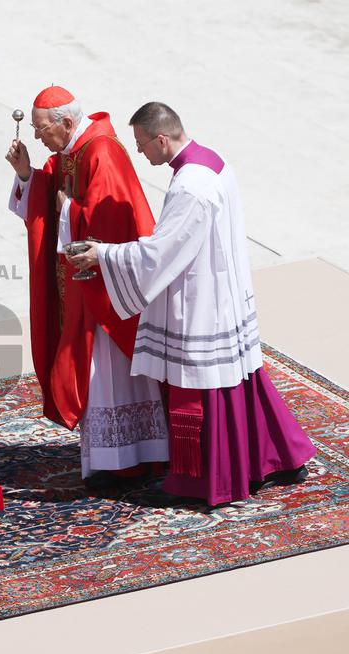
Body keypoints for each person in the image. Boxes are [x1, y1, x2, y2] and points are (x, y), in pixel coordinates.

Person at [69, 102, 315, 505]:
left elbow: (161, 254)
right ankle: (275, 460)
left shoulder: (188, 188)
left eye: (143, 145)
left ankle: (207, 482)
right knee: (243, 381)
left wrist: (104, 255)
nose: (142, 154)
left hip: (202, 303)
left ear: (161, 138)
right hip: (226, 288)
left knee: (201, 393)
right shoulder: (213, 162)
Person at [5, 86, 169, 488]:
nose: (39, 138)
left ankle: (126, 461)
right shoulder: (67, 154)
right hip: (82, 287)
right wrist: (27, 175)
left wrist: (68, 211)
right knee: (98, 374)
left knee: (109, 371)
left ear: (66, 122)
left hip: (108, 291)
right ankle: (114, 456)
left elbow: (110, 226)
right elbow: (50, 199)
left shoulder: (102, 152)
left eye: (43, 130)